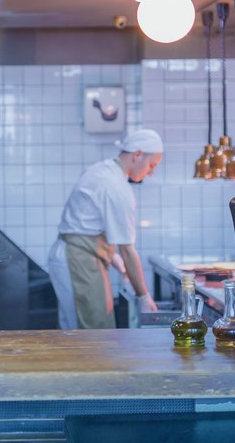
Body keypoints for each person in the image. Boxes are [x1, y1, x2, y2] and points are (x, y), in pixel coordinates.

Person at [48, 129, 163, 329]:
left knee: (78, 330)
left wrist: (114, 259)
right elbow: (128, 250)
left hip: (74, 255)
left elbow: (88, 225)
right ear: (137, 155)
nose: (151, 172)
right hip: (78, 261)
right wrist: (144, 296)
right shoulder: (116, 186)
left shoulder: (102, 170)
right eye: (151, 165)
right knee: (94, 332)